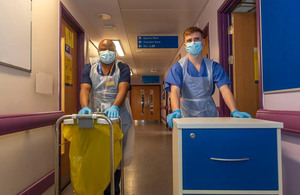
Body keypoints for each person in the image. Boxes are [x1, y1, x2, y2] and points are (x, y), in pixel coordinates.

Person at [165, 26, 251, 128]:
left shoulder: (213, 67)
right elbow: (175, 91)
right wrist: (175, 110)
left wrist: (234, 110)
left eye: (196, 39)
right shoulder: (178, 67)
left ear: (203, 42)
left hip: (209, 113)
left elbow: (224, 89)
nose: (193, 43)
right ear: (185, 45)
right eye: (189, 40)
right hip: (186, 114)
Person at [78, 39, 135, 194]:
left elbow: (123, 88)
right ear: (98, 51)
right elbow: (85, 88)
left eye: (110, 49)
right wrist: (84, 107)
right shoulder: (89, 67)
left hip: (118, 115)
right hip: (96, 116)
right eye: (104, 49)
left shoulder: (122, 67)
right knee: (97, 155)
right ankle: (99, 188)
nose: (107, 52)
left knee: (115, 157)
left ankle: (113, 189)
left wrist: (115, 106)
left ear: (115, 52)